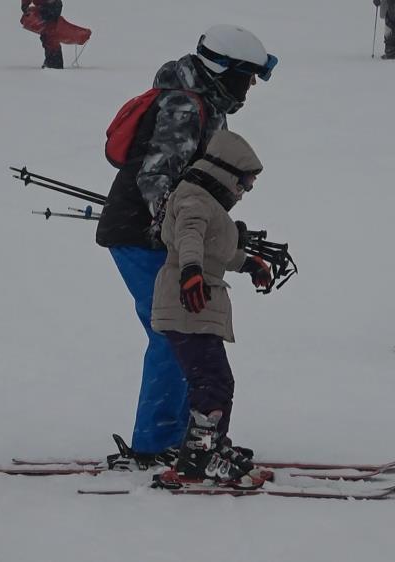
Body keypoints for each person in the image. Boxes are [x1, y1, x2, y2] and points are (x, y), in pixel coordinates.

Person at [95, 26, 277, 468]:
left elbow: (198, 187)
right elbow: (157, 179)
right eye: (247, 76)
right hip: (141, 236)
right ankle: (156, 442)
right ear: (223, 70)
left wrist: (222, 232)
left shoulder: (208, 105)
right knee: (171, 332)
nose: (250, 87)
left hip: (164, 235)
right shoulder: (183, 106)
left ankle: (184, 435)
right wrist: (183, 233)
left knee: (185, 331)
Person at [151, 130, 273, 488]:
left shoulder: (204, 201)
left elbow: (215, 249)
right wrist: (191, 272)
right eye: (244, 183)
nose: (244, 191)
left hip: (194, 302)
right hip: (188, 301)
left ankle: (209, 447)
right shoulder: (194, 200)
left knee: (215, 381)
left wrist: (249, 263)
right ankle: (199, 459)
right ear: (226, 172)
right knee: (212, 381)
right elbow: (189, 236)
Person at [21, 0, 65, 68]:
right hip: (44, 7)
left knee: (50, 34)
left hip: (52, 6)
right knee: (46, 35)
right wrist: (25, 5)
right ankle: (53, 61)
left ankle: (54, 62)